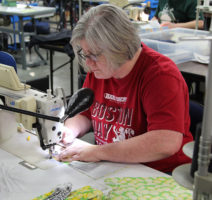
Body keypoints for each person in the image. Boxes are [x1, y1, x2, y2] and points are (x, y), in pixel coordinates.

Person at [58, 4, 194, 174]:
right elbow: (86, 114)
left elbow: (165, 142)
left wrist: (98, 152)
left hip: (158, 173)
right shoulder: (101, 69)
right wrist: (69, 131)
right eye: (85, 54)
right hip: (115, 165)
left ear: (118, 48)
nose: (88, 63)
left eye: (93, 55)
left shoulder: (161, 75)